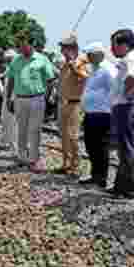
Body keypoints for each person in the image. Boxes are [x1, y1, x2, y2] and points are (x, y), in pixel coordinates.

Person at [5, 33, 57, 173]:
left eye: (22, 45)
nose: (20, 48)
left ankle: (34, 160)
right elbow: (10, 79)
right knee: (21, 129)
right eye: (18, 45)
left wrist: (45, 98)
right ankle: (22, 157)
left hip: (37, 98)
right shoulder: (15, 60)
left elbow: (51, 80)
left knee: (34, 130)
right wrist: (9, 98)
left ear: (30, 44)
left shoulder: (42, 59)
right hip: (19, 99)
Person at [107, 29, 134, 199]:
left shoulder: (130, 58)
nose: (112, 49)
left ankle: (128, 189)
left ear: (124, 45)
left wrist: (125, 94)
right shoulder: (131, 58)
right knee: (123, 149)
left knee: (126, 148)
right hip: (126, 107)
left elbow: (131, 77)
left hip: (128, 107)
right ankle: (120, 186)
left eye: (114, 45)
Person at [80, 42, 116, 189]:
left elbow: (115, 89)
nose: (87, 57)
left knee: (100, 147)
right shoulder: (93, 69)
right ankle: (95, 174)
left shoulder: (108, 69)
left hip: (102, 114)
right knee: (91, 145)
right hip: (91, 113)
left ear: (99, 55)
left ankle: (101, 178)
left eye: (90, 54)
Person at [54, 33, 89, 177]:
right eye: (62, 48)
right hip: (63, 103)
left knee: (73, 136)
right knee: (63, 136)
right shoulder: (64, 64)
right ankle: (66, 163)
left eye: (65, 48)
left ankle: (75, 166)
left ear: (73, 48)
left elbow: (86, 78)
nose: (63, 51)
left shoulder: (82, 61)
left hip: (75, 104)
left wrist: (75, 67)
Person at [0, 50, 19, 151]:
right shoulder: (9, 69)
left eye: (9, 59)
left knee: (12, 121)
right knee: (5, 120)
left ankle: (13, 143)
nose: (8, 61)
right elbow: (3, 76)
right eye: (7, 60)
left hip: (13, 98)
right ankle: (6, 141)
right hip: (6, 98)